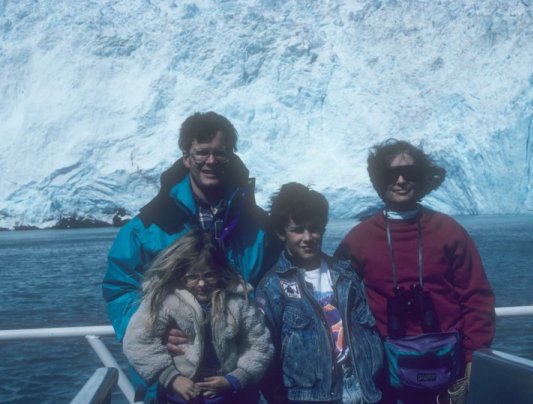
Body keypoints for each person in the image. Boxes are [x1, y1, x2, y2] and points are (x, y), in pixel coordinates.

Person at [103, 111, 279, 400]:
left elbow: (273, 287)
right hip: (171, 382)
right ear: (186, 157)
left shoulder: (258, 225)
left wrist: (251, 327)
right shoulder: (149, 225)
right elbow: (119, 287)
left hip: (236, 383)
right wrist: (153, 328)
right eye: (201, 152)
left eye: (219, 153)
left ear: (231, 156)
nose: (211, 161)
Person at [334, 139, 495, 404]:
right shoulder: (359, 239)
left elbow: (477, 298)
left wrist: (473, 357)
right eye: (390, 174)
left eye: (409, 173)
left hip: (447, 370)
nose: (400, 180)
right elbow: (334, 297)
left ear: (419, 179)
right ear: (377, 180)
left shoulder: (449, 232)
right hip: (384, 371)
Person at [256, 183, 383, 403]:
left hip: (363, 390)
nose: (308, 237)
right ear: (281, 233)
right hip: (309, 397)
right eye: (297, 230)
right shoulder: (272, 287)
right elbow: (265, 353)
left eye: (314, 228)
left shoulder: (346, 276)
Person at [123, 230, 274, 404]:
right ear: (179, 274)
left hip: (229, 394)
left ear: (220, 271)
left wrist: (236, 378)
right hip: (177, 396)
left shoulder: (238, 301)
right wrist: (172, 378)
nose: (201, 284)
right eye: (192, 277)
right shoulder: (164, 301)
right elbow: (138, 341)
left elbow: (260, 343)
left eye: (209, 275)